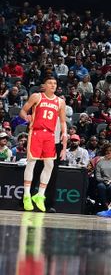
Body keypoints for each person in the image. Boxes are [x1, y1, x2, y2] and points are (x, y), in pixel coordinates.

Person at [18, 77, 67, 212]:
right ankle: (27, 195)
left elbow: (62, 121)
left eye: (55, 83)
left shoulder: (60, 102)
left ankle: (40, 195)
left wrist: (64, 133)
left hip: (50, 135)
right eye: (50, 83)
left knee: (50, 165)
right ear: (44, 86)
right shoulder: (37, 96)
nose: (53, 85)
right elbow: (23, 110)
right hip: (36, 133)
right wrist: (26, 117)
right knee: (32, 162)